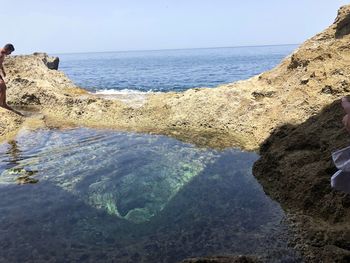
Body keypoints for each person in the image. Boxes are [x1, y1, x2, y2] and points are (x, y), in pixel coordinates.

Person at [0, 43, 22, 116]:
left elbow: (0, 63)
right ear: (7, 49)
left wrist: (3, 70)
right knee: (2, 86)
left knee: (4, 87)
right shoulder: (0, 54)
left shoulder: (3, 54)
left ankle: (4, 103)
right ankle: (1, 104)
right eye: (10, 52)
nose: (10, 54)